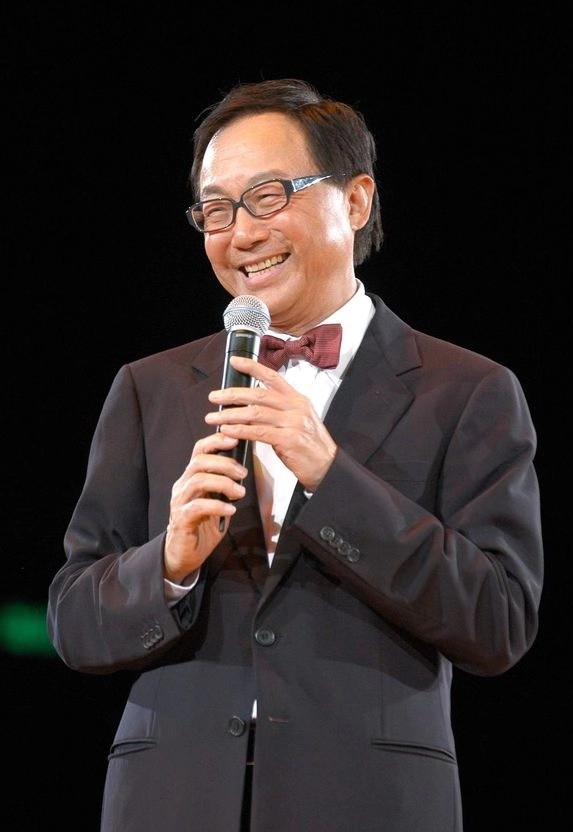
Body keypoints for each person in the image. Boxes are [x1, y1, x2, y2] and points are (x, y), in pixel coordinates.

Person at [47, 78, 544, 832]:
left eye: (267, 196)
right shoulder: (150, 388)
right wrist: (170, 565)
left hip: (368, 802)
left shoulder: (468, 390)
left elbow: (498, 623)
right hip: (171, 800)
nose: (241, 233)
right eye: (216, 210)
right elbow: (75, 625)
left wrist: (331, 476)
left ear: (357, 200)